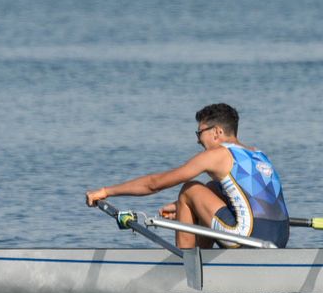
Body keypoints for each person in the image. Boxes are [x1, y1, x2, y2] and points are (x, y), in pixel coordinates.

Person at [85, 103, 289, 249]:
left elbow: (154, 185)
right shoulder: (259, 154)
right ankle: (203, 256)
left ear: (217, 132)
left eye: (199, 133)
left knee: (190, 189)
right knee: (211, 187)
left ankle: (185, 262)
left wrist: (106, 191)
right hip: (280, 238)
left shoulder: (218, 155)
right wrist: (183, 210)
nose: (198, 140)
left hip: (248, 236)